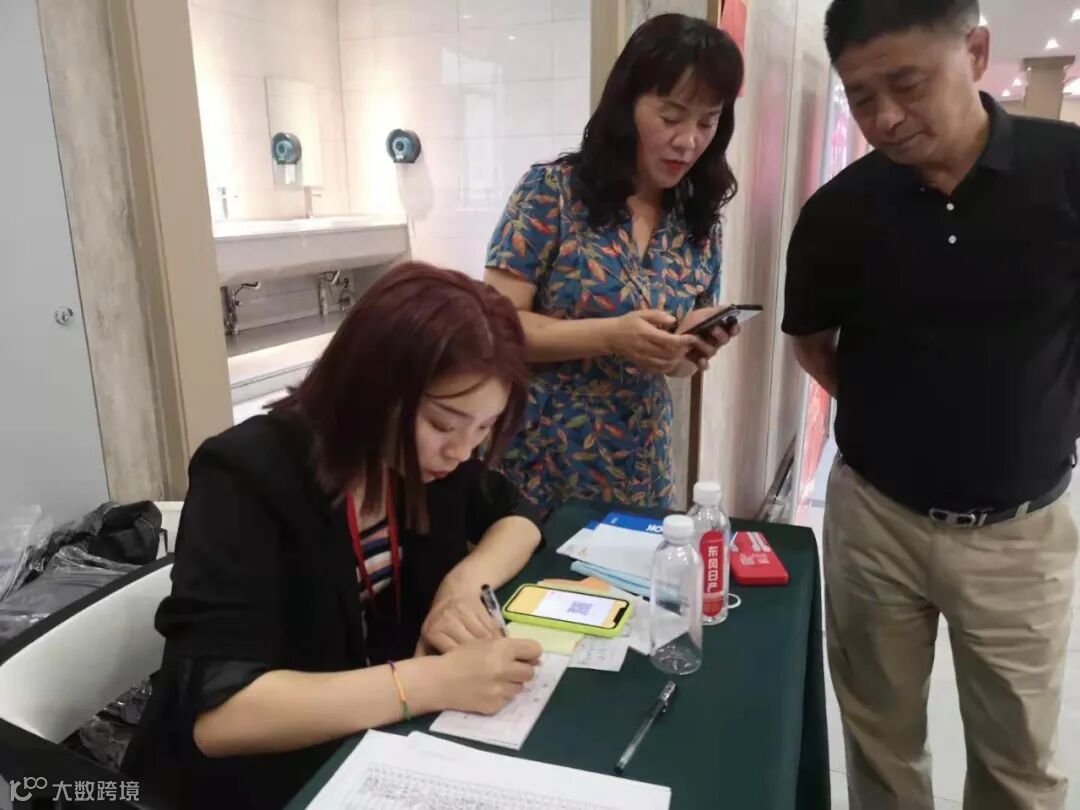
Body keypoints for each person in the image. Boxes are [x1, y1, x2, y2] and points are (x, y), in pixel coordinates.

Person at [783, 1, 1080, 808]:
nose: (884, 117)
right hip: (875, 524)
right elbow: (810, 342)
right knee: (881, 745)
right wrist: (897, 415)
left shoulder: (1067, 173)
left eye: (907, 84)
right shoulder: (838, 212)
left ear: (975, 52)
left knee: (1020, 764)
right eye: (860, 96)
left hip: (1020, 536)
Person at [124, 263, 545, 809]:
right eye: (443, 424)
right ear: (373, 388)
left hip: (362, 747)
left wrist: (462, 586)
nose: (462, 451)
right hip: (247, 784)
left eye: (484, 428)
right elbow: (223, 716)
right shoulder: (245, 474)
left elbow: (519, 518)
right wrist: (434, 681)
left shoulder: (426, 462)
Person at [485, 13, 745, 511]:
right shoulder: (552, 193)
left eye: (707, 122)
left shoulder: (699, 221)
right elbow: (494, 328)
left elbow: (678, 370)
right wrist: (610, 336)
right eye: (671, 117)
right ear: (627, 106)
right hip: (539, 461)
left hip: (641, 461)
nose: (689, 140)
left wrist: (688, 348)